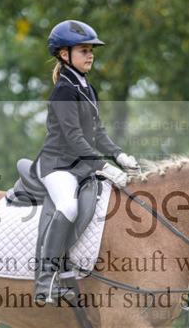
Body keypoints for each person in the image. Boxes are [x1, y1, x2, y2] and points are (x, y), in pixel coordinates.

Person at [33, 19, 139, 305]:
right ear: (64, 55)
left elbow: (98, 134)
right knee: (67, 206)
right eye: (83, 50)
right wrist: (103, 167)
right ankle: (45, 281)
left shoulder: (86, 88)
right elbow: (73, 138)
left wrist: (119, 156)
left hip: (79, 165)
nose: (90, 54)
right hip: (57, 165)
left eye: (91, 50)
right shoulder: (63, 90)